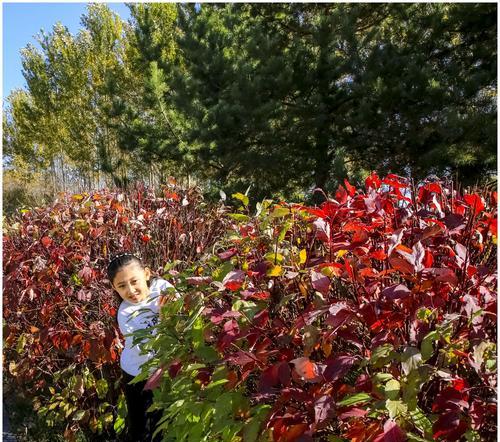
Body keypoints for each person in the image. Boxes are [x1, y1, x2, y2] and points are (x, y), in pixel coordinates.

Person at [107, 252, 176, 442]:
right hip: (139, 373)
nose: (131, 290)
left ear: (146, 274)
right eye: (122, 286)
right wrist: (163, 319)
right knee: (142, 429)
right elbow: (150, 348)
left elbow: (182, 313)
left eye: (134, 281)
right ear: (114, 288)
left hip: (167, 369)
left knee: (168, 422)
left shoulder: (163, 287)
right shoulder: (125, 315)